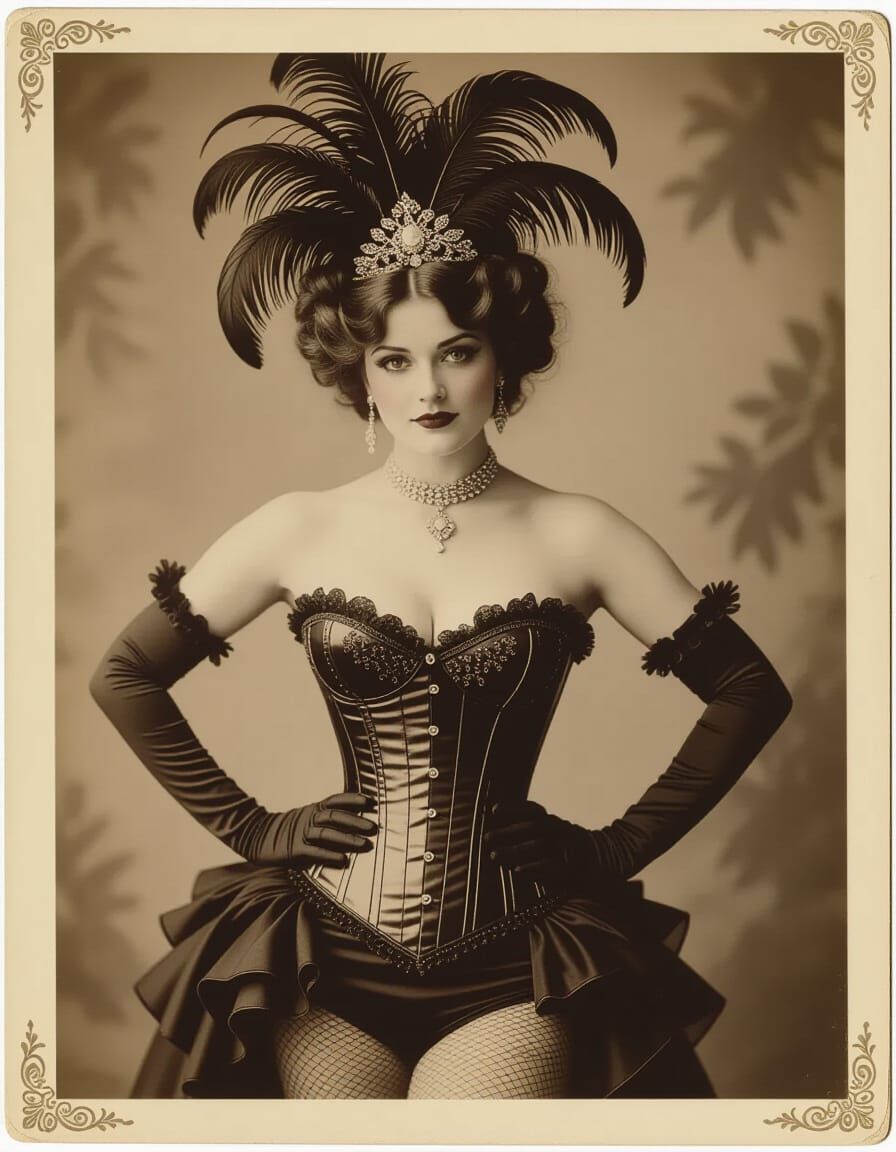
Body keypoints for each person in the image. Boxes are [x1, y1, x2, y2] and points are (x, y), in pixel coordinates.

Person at [89, 53, 793, 1100]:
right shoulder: (299, 526)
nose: (427, 387)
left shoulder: (578, 532)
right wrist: (254, 829)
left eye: (455, 353)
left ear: (500, 359)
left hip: (517, 956)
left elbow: (747, 691)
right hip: (319, 955)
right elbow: (124, 678)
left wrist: (610, 851)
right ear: (357, 377)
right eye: (395, 362)